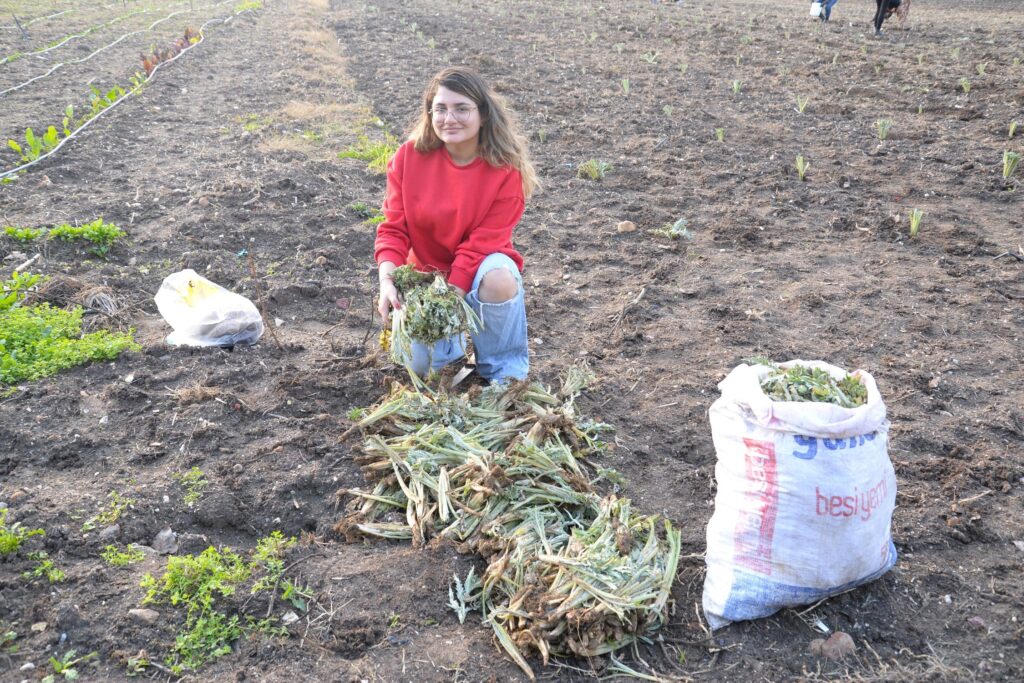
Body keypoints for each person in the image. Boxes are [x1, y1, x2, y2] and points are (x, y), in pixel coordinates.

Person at [374, 66, 539, 384]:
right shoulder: (409, 158)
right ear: (429, 113)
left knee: (500, 277)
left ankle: (502, 370)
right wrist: (387, 281)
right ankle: (450, 358)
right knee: (423, 368)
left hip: (478, 269)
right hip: (424, 275)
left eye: (462, 108)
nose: (450, 118)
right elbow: (394, 228)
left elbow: (482, 243)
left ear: (483, 115)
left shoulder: (505, 170)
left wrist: (452, 296)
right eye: (441, 109)